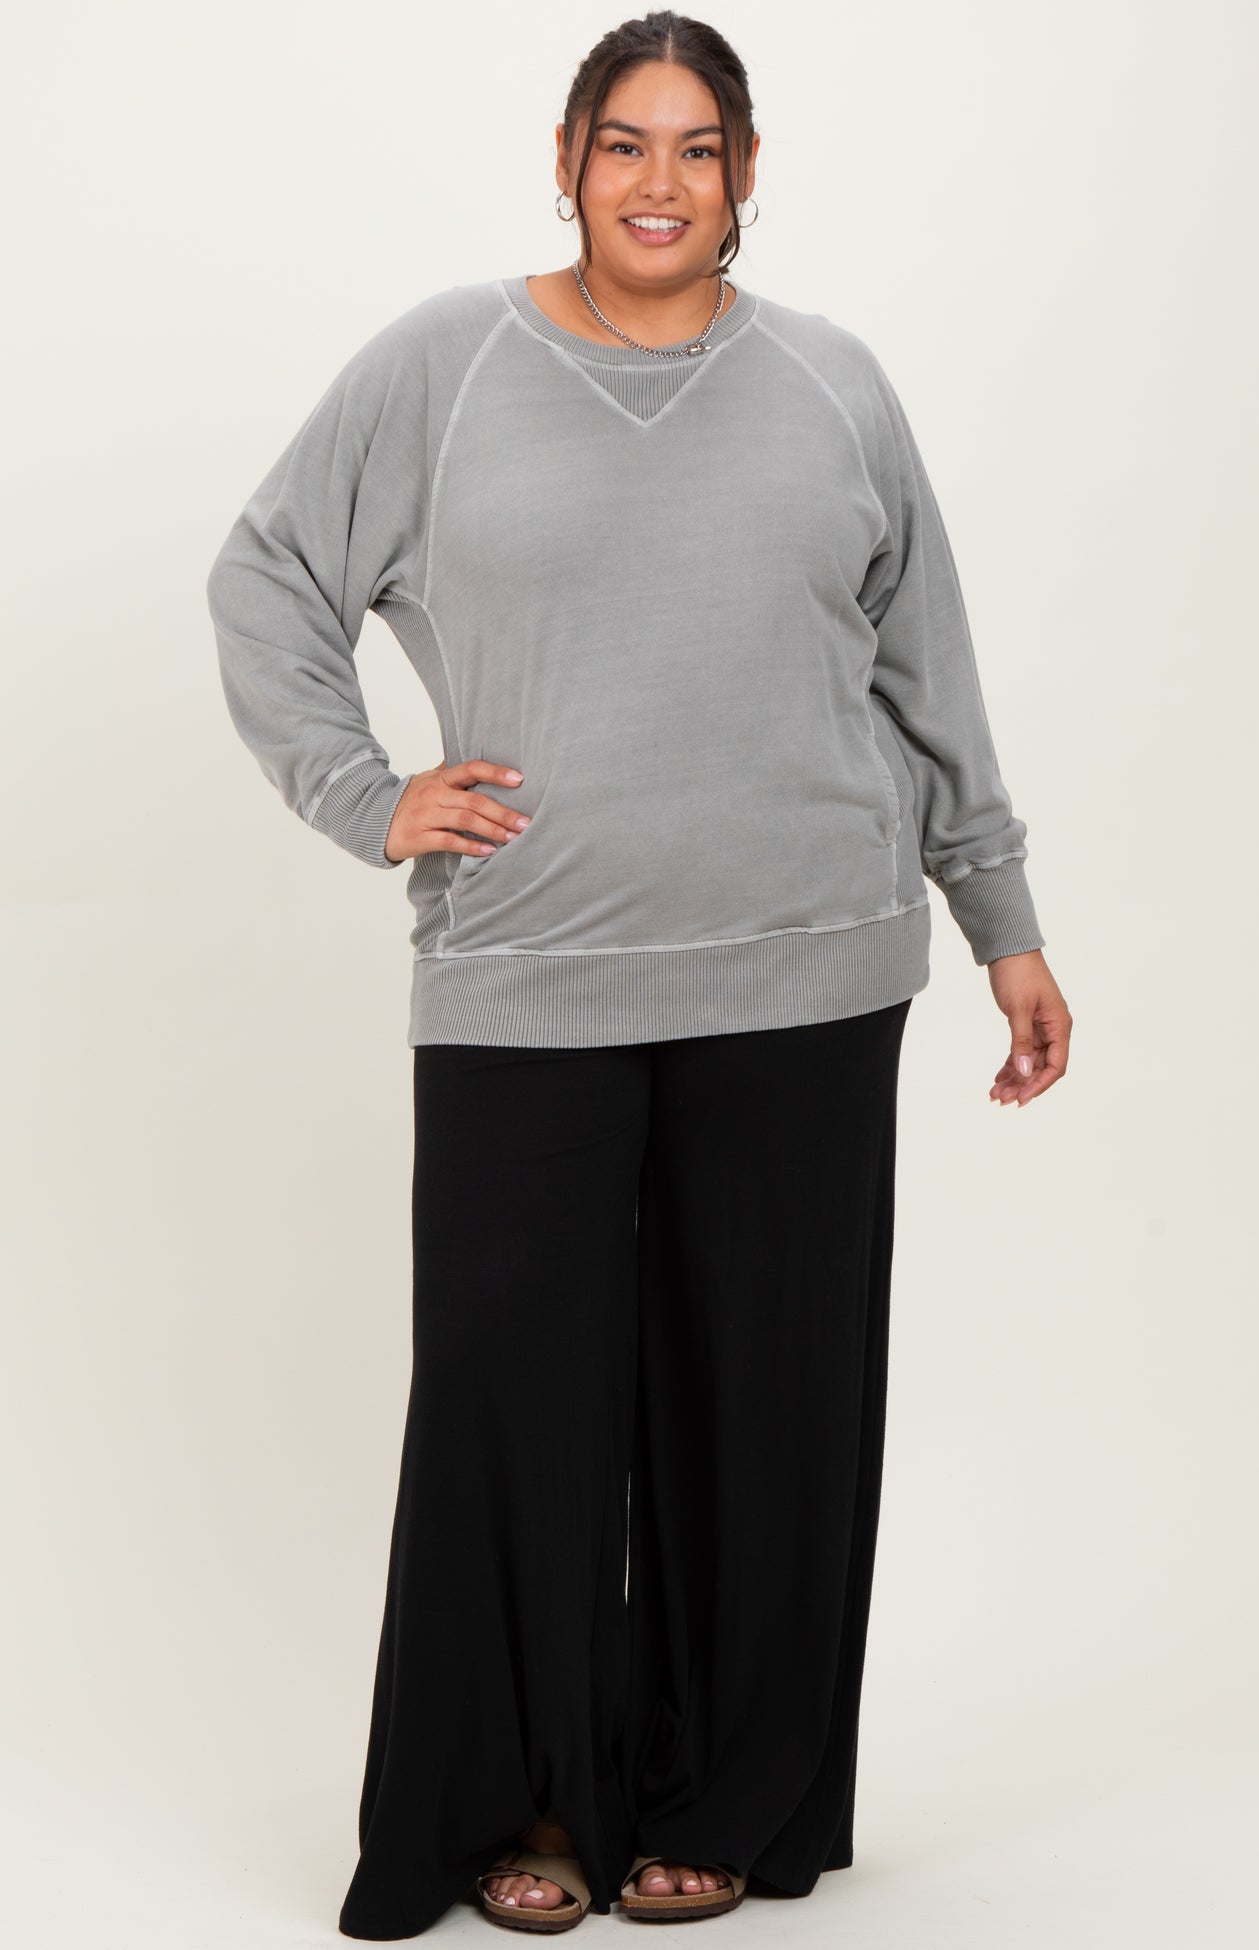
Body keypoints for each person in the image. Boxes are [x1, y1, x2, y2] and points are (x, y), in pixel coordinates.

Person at [206, 11, 1072, 1940]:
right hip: (531, 973)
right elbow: (266, 575)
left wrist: (1002, 921)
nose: (660, 182)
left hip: (811, 972)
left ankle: (727, 1795)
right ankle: (530, 1796)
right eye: (624, 144)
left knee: (765, 1406)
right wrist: (366, 791)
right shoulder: (442, 367)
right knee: (517, 1400)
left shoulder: (836, 384)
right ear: (568, 161)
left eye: (698, 147)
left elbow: (928, 667)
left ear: (746, 174)